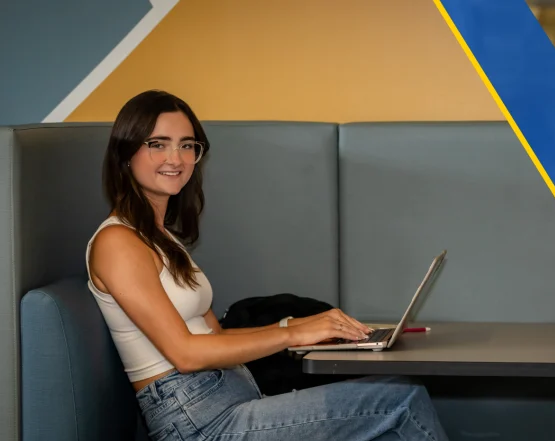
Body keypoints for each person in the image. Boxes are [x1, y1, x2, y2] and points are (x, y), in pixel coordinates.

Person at [85, 90, 449, 441]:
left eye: (186, 145)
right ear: (126, 152)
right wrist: (291, 336)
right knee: (402, 398)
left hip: (230, 397)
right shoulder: (118, 241)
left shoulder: (162, 238)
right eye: (158, 144)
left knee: (389, 417)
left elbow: (215, 337)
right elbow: (186, 354)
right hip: (198, 422)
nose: (176, 158)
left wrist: (303, 325)